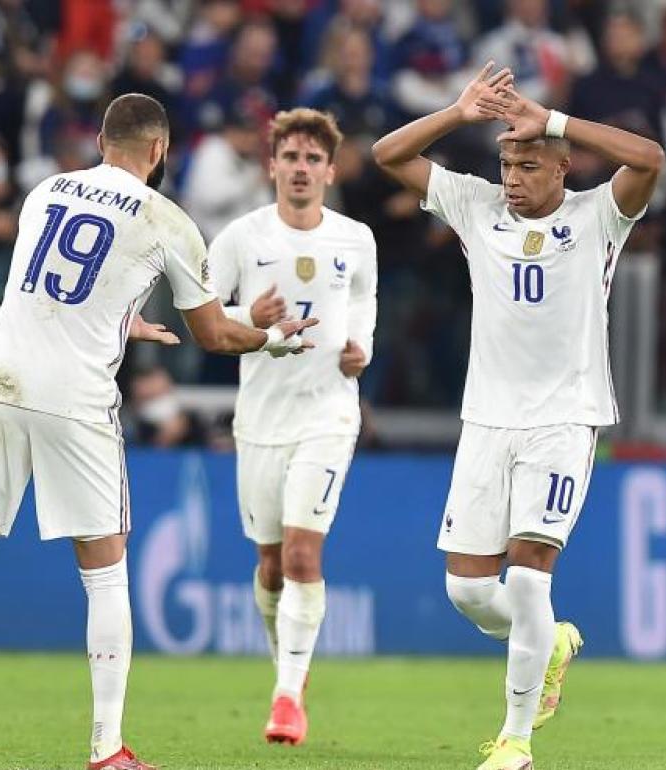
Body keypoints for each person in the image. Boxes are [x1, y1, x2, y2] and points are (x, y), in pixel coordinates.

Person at [0, 93, 318, 770]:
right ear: (159, 150)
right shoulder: (166, 219)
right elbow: (216, 333)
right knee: (104, 573)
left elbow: (55, 287)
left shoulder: (45, 192)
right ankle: (107, 748)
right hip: (74, 398)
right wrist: (275, 339)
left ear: (102, 141)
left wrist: (122, 320)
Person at [372, 62, 663, 770]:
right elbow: (387, 155)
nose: (513, 177)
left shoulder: (598, 216)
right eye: (506, 164)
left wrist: (553, 119)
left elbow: (650, 157)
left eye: (529, 165)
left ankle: (516, 740)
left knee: (530, 575)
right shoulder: (477, 208)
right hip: (486, 420)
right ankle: (550, 639)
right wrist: (457, 112)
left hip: (564, 419)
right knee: (469, 591)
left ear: (564, 168)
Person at [208, 107, 377, 746]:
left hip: (328, 413)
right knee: (273, 565)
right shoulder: (241, 238)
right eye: (290, 157)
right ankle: (289, 666)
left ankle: (286, 697)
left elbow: (364, 299)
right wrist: (247, 317)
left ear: (330, 171)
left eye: (312, 159)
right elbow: (203, 317)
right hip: (260, 420)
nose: (301, 168)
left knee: (305, 553)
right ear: (271, 166)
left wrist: (361, 347)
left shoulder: (355, 239)